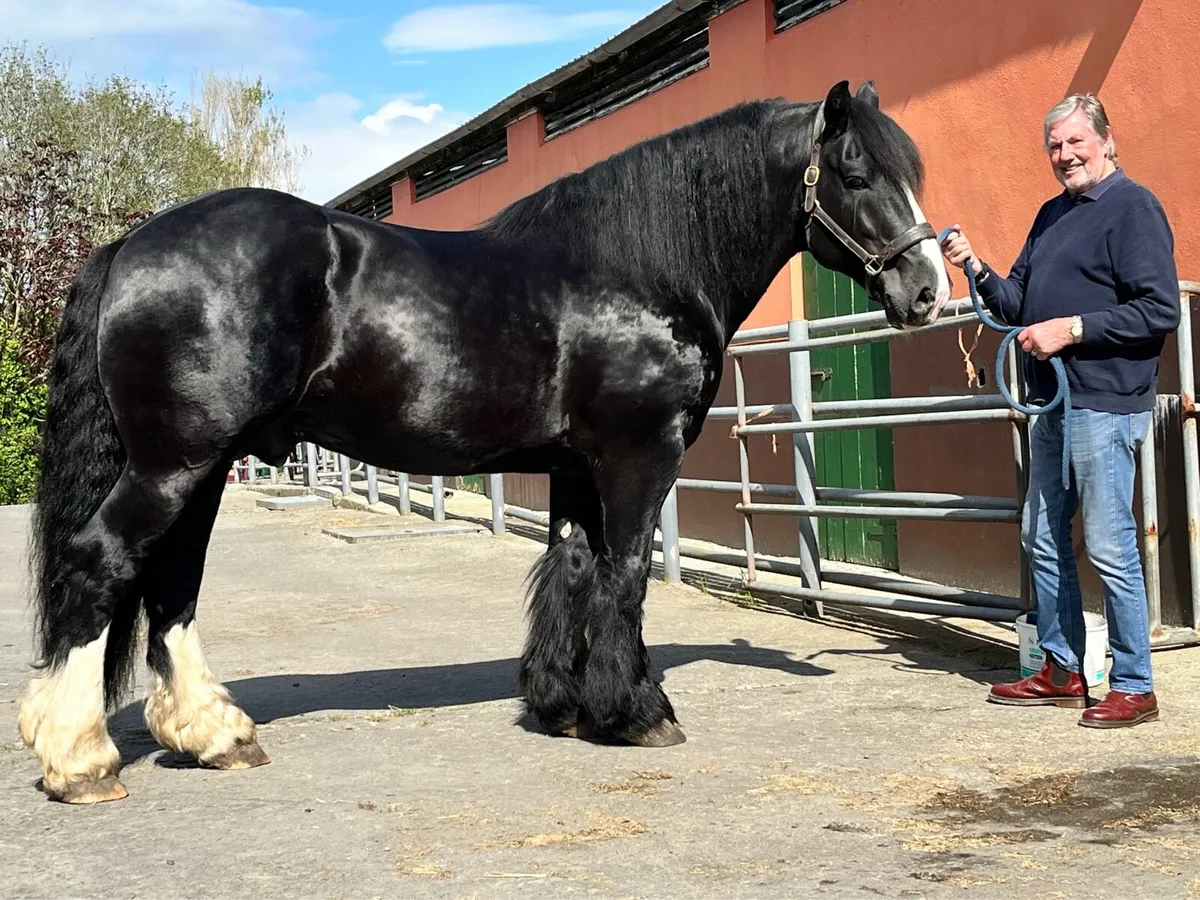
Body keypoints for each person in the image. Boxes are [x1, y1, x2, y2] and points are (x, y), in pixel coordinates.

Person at [941, 93, 1180, 728]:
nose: (1064, 156)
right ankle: (1062, 667)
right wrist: (976, 267)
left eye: (1075, 142)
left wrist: (1069, 329)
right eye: (1054, 146)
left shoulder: (1134, 207)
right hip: (1053, 398)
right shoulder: (1051, 215)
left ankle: (1135, 683)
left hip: (1104, 400)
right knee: (1041, 536)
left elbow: (1160, 311)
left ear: (1105, 140)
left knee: (1108, 543)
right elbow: (1017, 300)